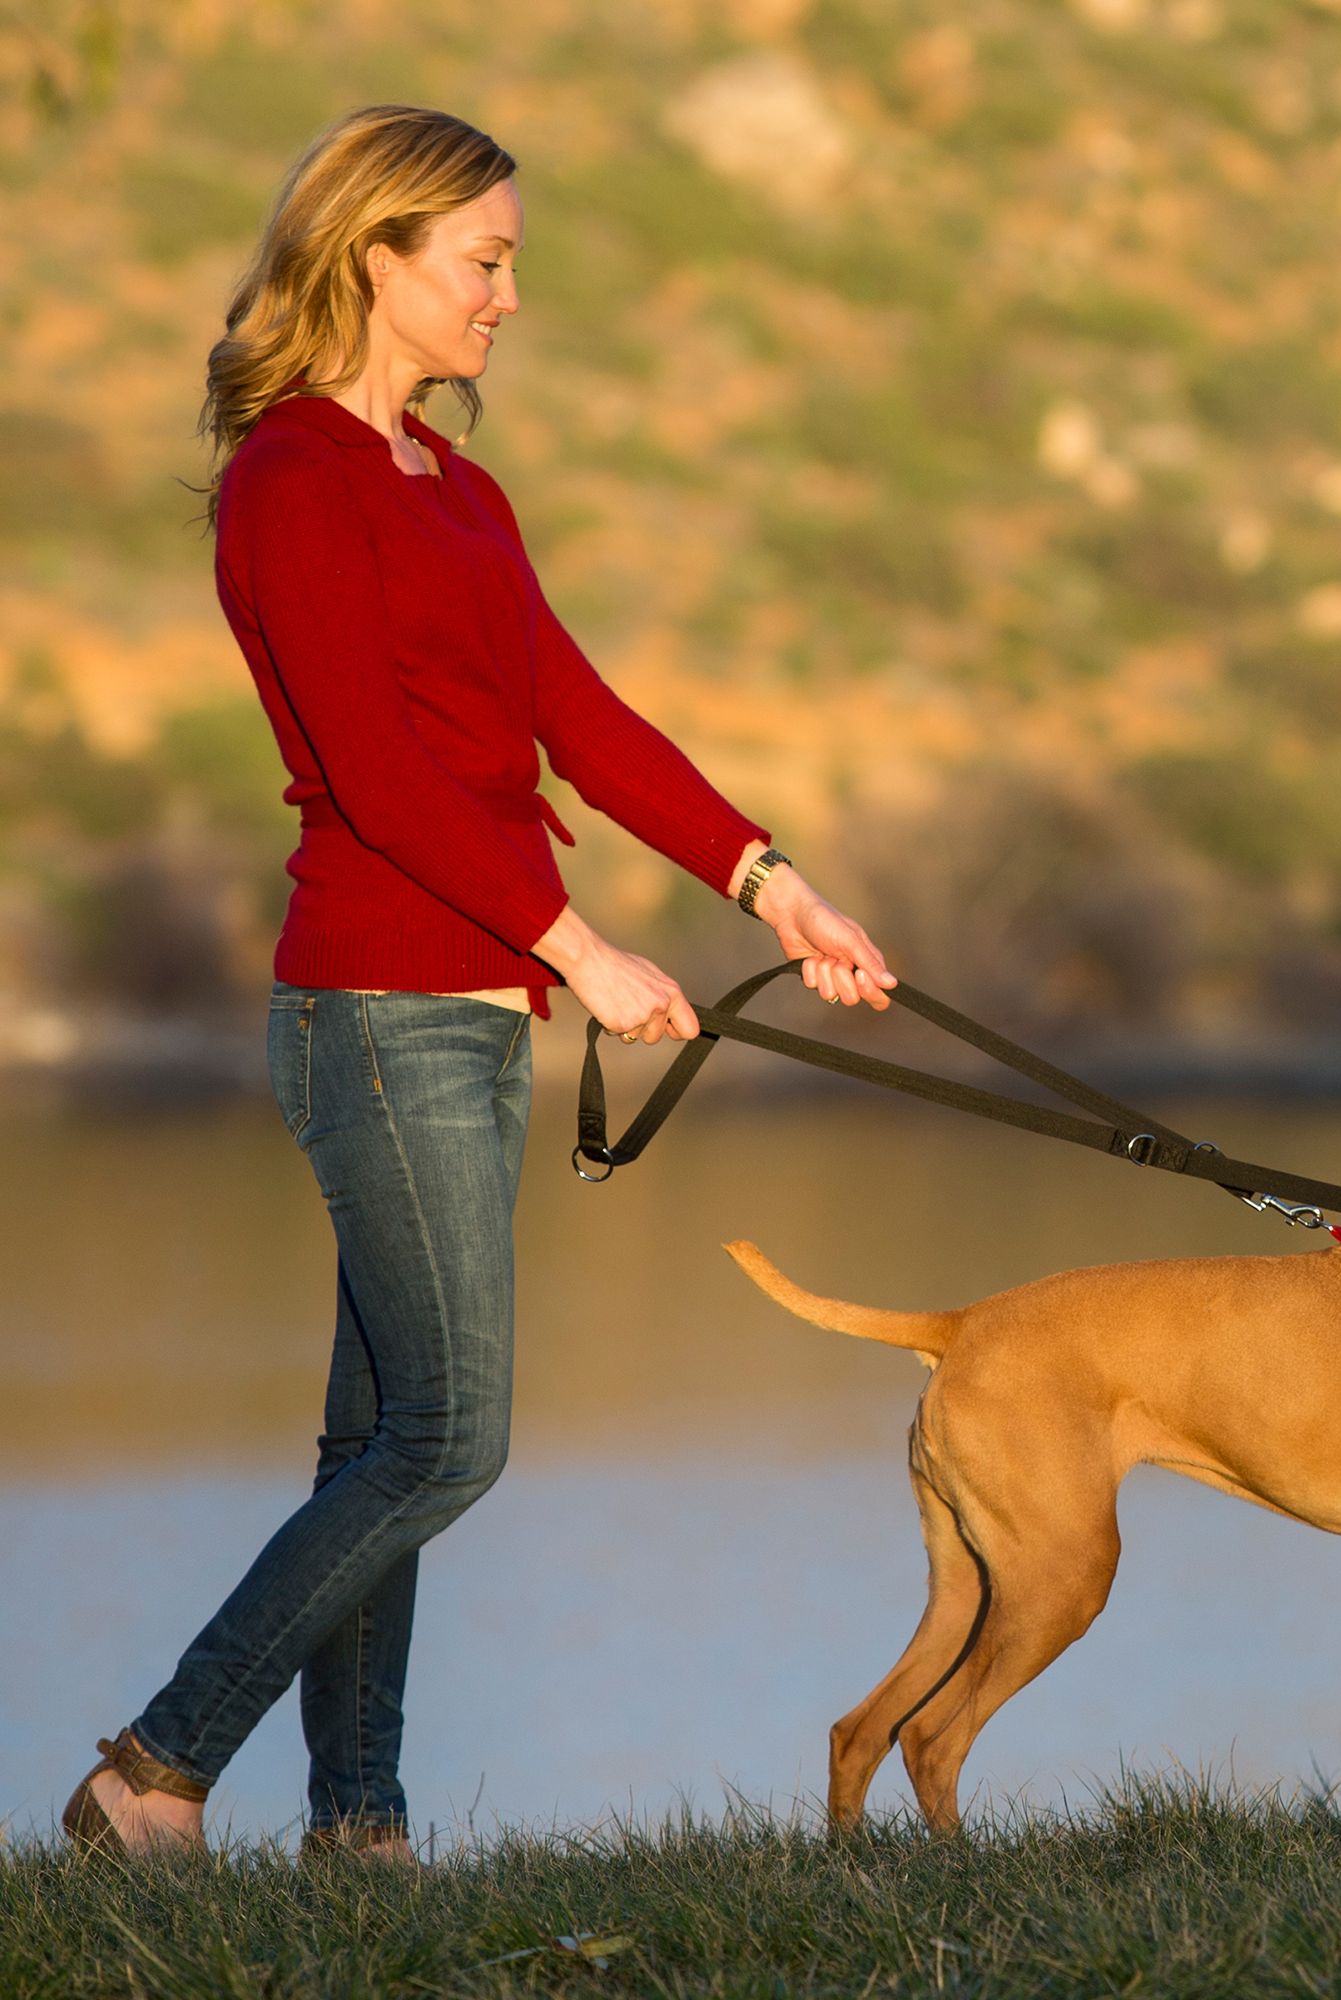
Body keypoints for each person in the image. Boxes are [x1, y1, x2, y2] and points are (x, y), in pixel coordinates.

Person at [62, 103, 894, 1863]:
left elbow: (580, 725)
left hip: (468, 1004)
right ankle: (151, 1773)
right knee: (450, 1439)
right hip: (380, 1009)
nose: (510, 297)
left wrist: (775, 884)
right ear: (379, 256)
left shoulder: (461, 491)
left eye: (512, 262)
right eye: (486, 260)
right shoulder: (294, 480)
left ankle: (360, 1831)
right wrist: (580, 948)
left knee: (380, 1438)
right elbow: (377, 776)